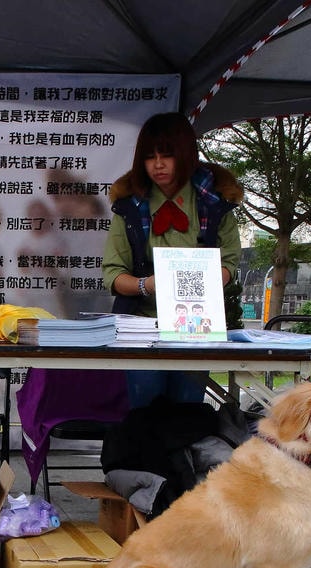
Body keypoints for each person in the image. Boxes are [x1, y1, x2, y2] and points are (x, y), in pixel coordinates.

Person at [101, 111, 244, 406]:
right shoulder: (129, 205)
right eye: (150, 156)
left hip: (197, 328)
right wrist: (147, 285)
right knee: (144, 414)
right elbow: (113, 275)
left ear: (186, 154)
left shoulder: (216, 201)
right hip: (141, 329)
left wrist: (204, 280)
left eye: (167, 155)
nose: (158, 165)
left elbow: (229, 263)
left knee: (187, 412)